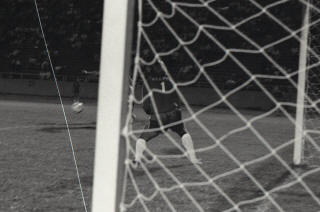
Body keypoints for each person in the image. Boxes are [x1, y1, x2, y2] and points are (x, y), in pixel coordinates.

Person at [134, 69, 201, 167]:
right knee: (182, 132)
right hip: (173, 113)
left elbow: (146, 104)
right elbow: (177, 98)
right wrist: (177, 109)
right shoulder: (170, 80)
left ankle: (137, 160)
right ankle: (193, 159)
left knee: (142, 138)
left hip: (158, 115)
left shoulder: (148, 82)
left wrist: (149, 112)